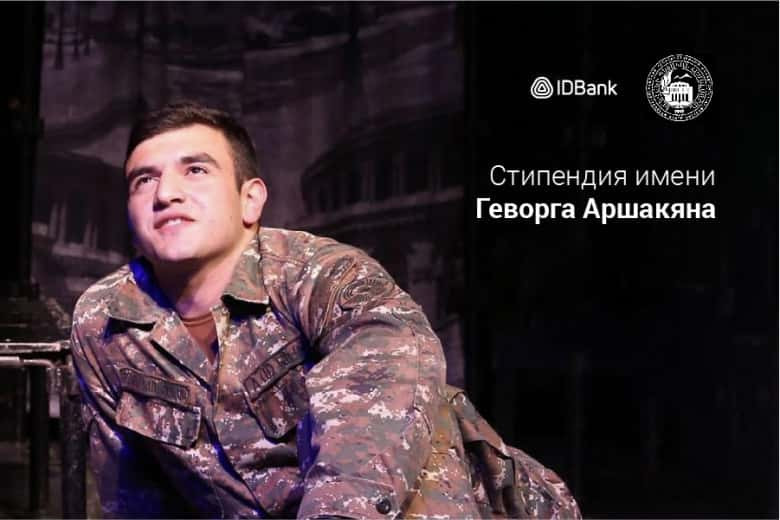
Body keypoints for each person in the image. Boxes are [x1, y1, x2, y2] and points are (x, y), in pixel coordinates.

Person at [70, 101, 580, 519]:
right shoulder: (104, 321)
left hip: (437, 505)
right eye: (143, 180)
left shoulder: (326, 276)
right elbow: (133, 494)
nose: (166, 193)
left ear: (250, 200)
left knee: (422, 440)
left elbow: (377, 400)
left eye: (196, 170)